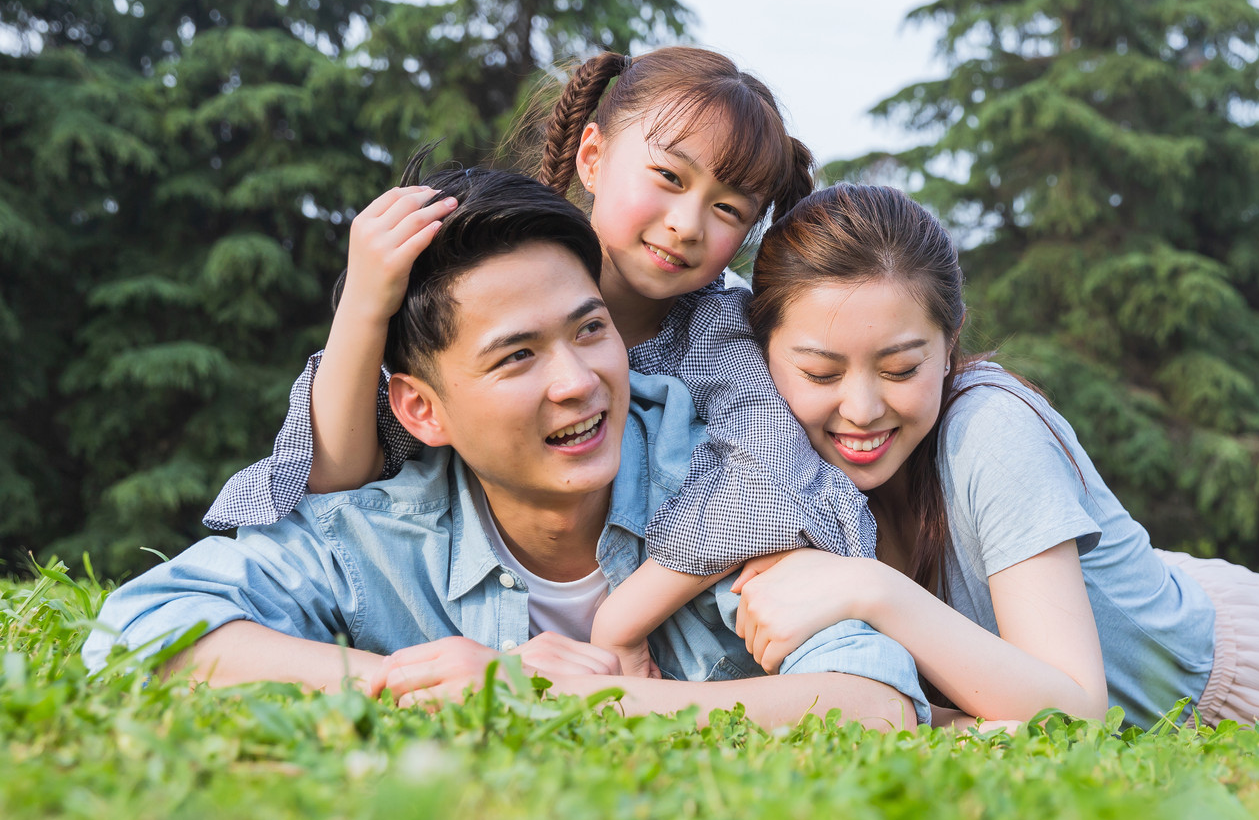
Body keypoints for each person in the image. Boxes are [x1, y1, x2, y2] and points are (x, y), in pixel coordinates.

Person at [84, 168, 928, 731]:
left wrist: (590, 698)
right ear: (420, 409)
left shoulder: (720, 488)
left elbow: (876, 699)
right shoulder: (379, 533)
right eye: (518, 356)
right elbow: (136, 632)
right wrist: (437, 680)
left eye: (592, 330)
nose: (579, 381)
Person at [720, 185, 1259, 731]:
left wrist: (870, 587)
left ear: (950, 345)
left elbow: (1073, 713)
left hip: (1223, 666)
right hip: (1115, 597)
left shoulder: (989, 427)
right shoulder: (774, 452)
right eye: (821, 372)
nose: (861, 409)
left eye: (900, 369)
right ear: (766, 355)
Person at [203, 47, 875, 681]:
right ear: (592, 156)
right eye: (669, 178)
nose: (687, 223)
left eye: (728, 209)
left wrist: (621, 620)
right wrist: (364, 304)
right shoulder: (487, 276)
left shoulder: (718, 334)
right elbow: (336, 474)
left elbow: (767, 467)